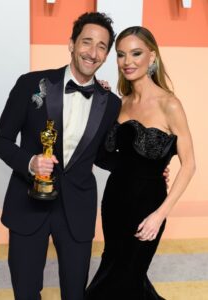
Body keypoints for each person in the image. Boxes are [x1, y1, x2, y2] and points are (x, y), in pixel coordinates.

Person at [0, 13, 169, 299]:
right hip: (27, 205)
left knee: (76, 295)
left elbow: (103, 156)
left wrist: (147, 168)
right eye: (87, 42)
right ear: (72, 44)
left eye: (102, 47)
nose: (93, 52)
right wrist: (30, 162)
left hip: (77, 211)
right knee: (25, 293)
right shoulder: (31, 84)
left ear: (107, 55)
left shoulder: (110, 102)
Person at [85, 26, 195, 299]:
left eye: (136, 53)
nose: (127, 62)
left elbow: (190, 164)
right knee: (118, 274)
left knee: (122, 282)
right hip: (114, 205)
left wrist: (160, 215)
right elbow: (107, 157)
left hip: (148, 208)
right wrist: (100, 100)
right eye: (121, 55)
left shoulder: (170, 104)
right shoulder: (120, 102)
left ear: (152, 56)